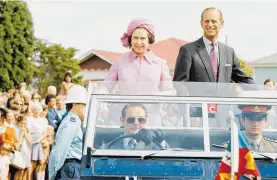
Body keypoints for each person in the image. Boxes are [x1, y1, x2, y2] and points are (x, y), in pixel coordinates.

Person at [173, 7, 254, 84]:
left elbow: (242, 79)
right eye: (206, 21)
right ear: (201, 24)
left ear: (221, 24)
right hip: (198, 99)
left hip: (223, 99)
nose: (210, 24)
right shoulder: (188, 51)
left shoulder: (229, 52)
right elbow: (180, 84)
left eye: (214, 21)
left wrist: (262, 90)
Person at [48, 85, 87, 180]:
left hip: (73, 167)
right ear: (74, 105)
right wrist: (53, 174)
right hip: (70, 168)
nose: (86, 109)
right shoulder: (71, 122)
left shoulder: (75, 121)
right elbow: (60, 149)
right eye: (84, 106)